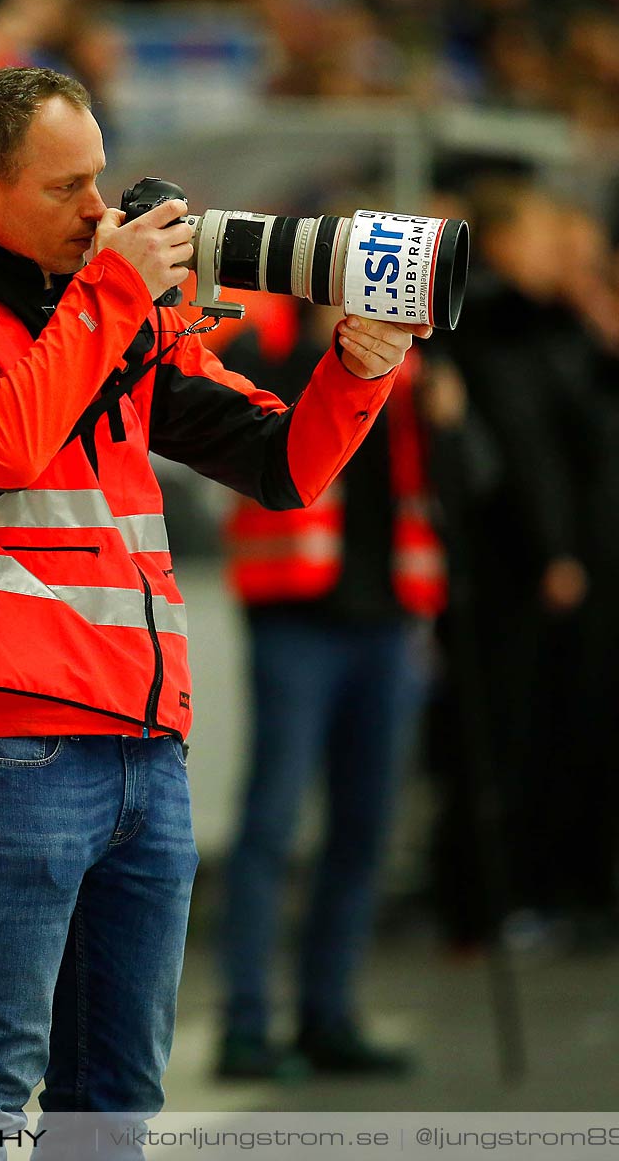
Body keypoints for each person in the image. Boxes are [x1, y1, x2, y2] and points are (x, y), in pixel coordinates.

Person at [0, 66, 424, 1143]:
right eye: (66, 189)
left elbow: (282, 464)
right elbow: (2, 438)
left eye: (99, 181)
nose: (101, 213)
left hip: (146, 749)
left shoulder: (100, 318)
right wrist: (115, 295)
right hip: (7, 738)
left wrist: (358, 368)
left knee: (116, 1099)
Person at [213, 299, 457, 1080]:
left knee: (365, 823)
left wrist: (449, 417)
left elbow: (461, 480)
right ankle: (246, 1025)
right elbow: (247, 441)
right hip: (295, 613)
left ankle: (329, 1014)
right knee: (272, 821)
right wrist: (324, 354)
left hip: (387, 618)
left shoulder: (410, 367)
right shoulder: (265, 345)